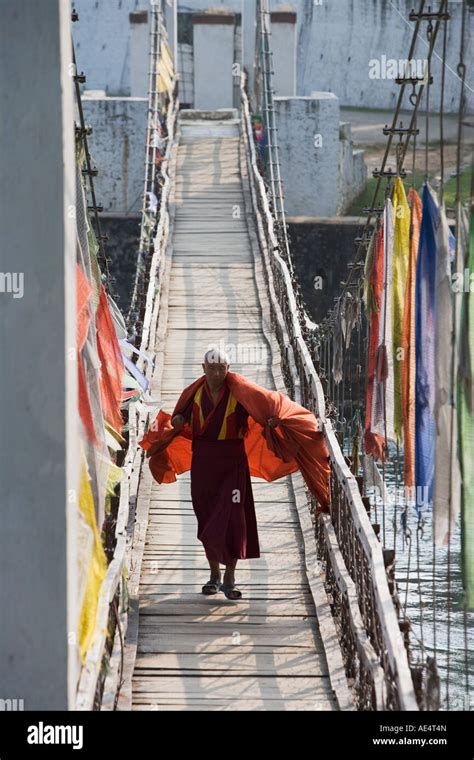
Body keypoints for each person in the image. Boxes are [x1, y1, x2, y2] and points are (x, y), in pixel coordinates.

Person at [139, 347, 331, 602]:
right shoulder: (194, 393)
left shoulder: (240, 393)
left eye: (222, 368)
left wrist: (272, 421)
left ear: (228, 369)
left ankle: (230, 577)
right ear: (203, 368)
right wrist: (176, 422)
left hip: (233, 463)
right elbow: (179, 416)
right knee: (207, 518)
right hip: (204, 462)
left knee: (234, 518)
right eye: (212, 368)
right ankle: (214, 574)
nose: (217, 373)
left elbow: (262, 408)